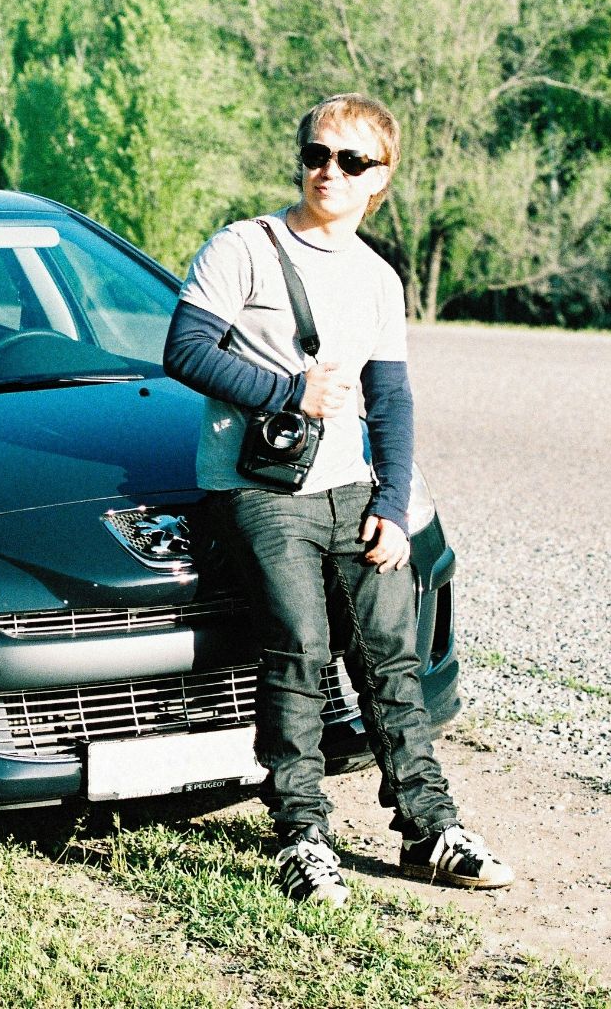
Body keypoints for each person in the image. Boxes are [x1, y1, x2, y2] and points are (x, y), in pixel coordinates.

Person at [162, 92, 514, 905]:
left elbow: (390, 402)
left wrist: (392, 504)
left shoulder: (378, 279)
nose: (329, 171)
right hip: (258, 488)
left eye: (351, 161)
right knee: (297, 649)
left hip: (350, 489)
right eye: (317, 154)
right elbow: (183, 349)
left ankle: (430, 829)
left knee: (390, 655)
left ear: (380, 179)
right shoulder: (243, 248)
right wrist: (289, 390)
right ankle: (302, 838)